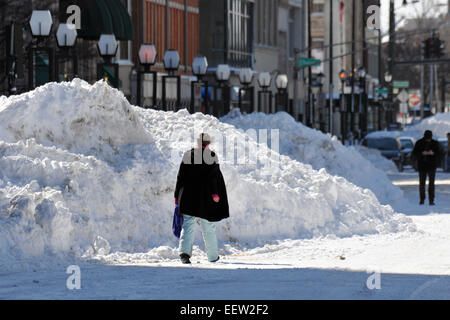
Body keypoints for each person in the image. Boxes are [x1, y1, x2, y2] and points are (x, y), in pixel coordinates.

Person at [174, 133, 229, 264]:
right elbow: (214, 178)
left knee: (188, 225)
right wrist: (215, 194)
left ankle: (184, 254)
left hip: (188, 196)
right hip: (206, 197)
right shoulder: (211, 156)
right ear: (208, 143)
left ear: (197, 142)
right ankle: (212, 256)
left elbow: (180, 177)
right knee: (208, 226)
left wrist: (177, 196)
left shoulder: (188, 155)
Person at [412, 130, 443, 205]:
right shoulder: (419, 143)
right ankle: (422, 199)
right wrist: (422, 153)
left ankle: (431, 200)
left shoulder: (435, 143)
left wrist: (433, 153)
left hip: (432, 165)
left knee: (431, 184)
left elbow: (440, 153)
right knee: (422, 183)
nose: (428, 140)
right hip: (422, 165)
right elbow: (415, 153)